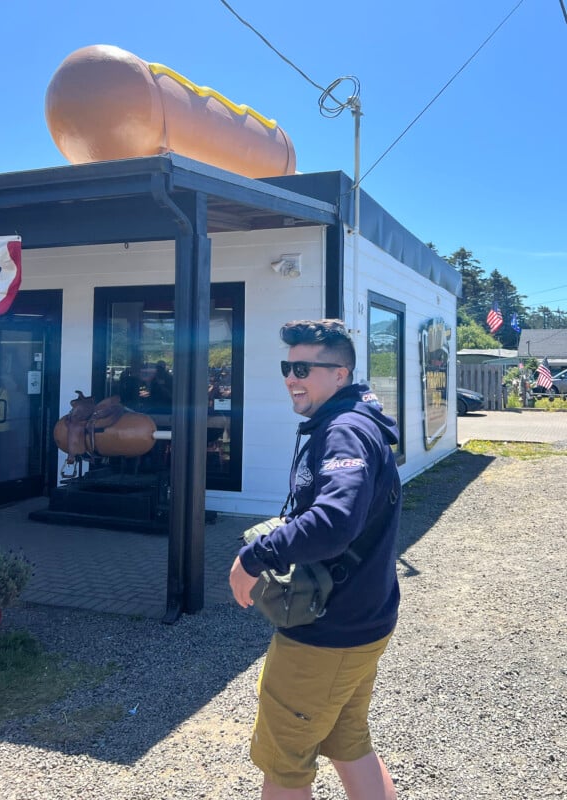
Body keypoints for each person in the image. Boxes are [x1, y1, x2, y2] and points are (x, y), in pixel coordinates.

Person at [230, 319, 401, 800]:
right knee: (349, 745)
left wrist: (254, 557)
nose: (291, 378)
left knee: (284, 764)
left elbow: (335, 521)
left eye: (303, 368)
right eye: (288, 367)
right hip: (363, 621)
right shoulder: (352, 423)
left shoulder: (344, 432)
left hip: (325, 634)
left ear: (340, 375)